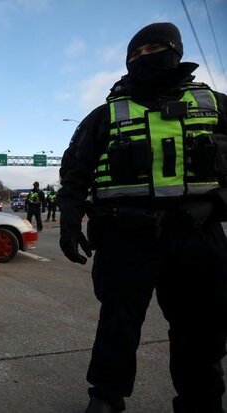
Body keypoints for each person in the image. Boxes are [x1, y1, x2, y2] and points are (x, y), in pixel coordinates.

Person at [58, 22, 227, 413]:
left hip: (198, 235)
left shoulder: (216, 105)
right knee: (117, 327)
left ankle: (201, 404)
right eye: (135, 54)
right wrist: (69, 223)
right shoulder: (104, 116)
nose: (145, 57)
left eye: (154, 48)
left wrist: (216, 204)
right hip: (125, 238)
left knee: (200, 332)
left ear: (176, 51)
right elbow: (74, 175)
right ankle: (105, 398)